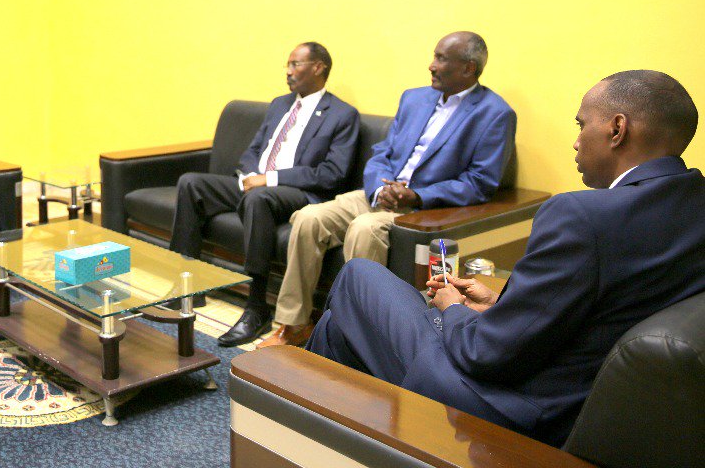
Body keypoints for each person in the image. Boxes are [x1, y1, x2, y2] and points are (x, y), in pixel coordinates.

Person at [305, 70, 705, 447]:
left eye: (581, 125)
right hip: (578, 401)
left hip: (503, 405)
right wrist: (504, 305)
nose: (576, 142)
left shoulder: (582, 215)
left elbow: (484, 354)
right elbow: (604, 307)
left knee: (357, 278)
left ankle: (301, 425)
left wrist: (454, 308)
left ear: (616, 130)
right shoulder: (693, 204)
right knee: (338, 327)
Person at [259, 32, 515, 348]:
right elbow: (383, 152)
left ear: (468, 68)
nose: (431, 65)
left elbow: (479, 183)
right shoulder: (414, 98)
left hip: (423, 207)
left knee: (364, 228)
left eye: (441, 59)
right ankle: (294, 324)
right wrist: (381, 189)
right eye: (434, 56)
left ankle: (350, 337)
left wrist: (418, 195)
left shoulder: (495, 113)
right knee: (309, 218)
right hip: (381, 194)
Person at [169, 42, 360, 347]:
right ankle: (189, 285)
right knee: (192, 183)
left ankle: (256, 306)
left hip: (298, 193)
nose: (288, 72)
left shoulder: (342, 114)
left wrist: (269, 179)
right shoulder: (280, 104)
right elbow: (255, 149)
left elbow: (331, 174)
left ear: (318, 67)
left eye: (295, 64)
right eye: (288, 65)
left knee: (258, 199)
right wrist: (248, 175)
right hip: (256, 184)